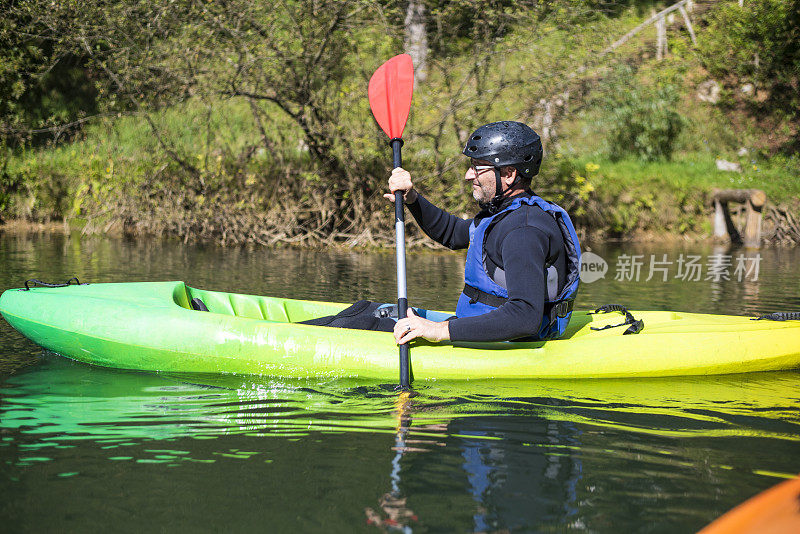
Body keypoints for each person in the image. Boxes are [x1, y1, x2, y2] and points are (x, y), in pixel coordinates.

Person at [384, 121, 581, 345]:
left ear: (508, 173)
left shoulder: (524, 231)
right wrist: (412, 198)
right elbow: (453, 233)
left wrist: (440, 330)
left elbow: (525, 317)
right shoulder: (504, 214)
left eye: (478, 167)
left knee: (368, 323)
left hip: (509, 342)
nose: (469, 175)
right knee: (368, 314)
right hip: (477, 327)